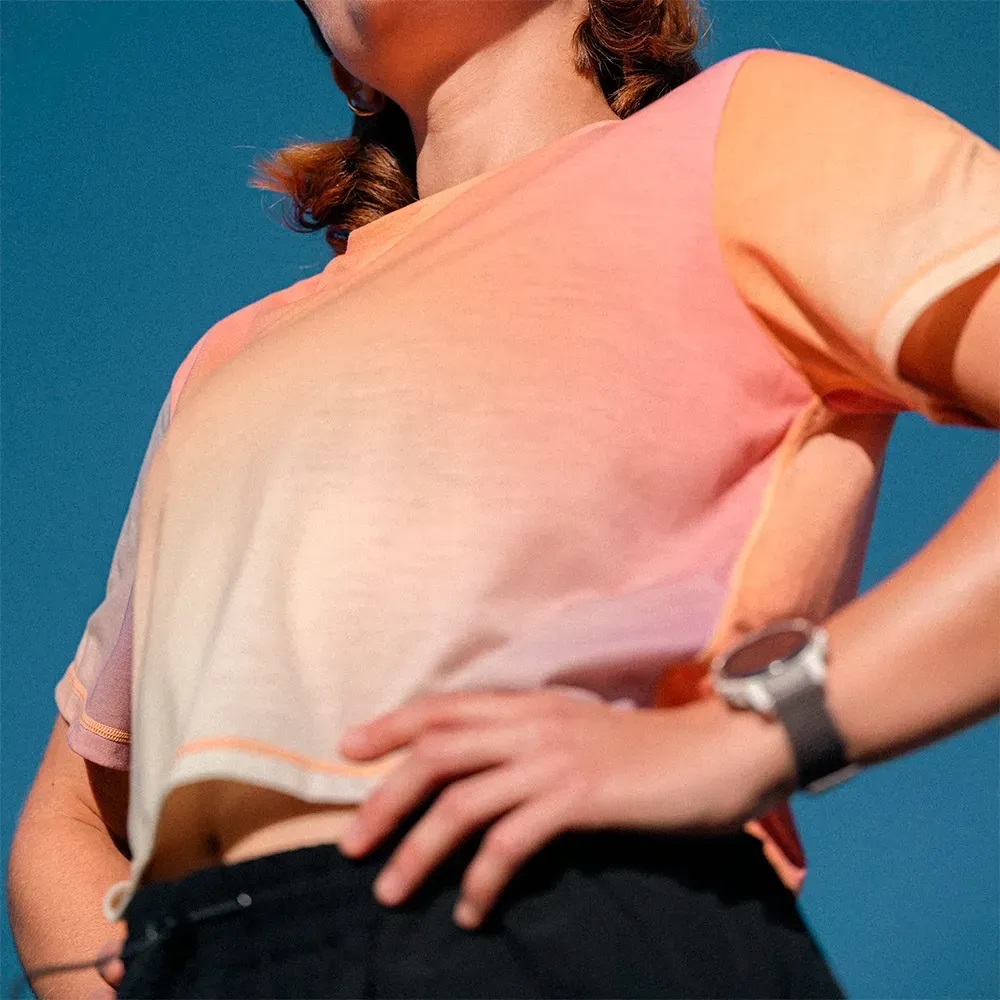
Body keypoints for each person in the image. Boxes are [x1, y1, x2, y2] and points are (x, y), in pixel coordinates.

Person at [8, 0, 999, 996]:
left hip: (569, 907)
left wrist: (752, 734)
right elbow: (70, 819)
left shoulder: (741, 132)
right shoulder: (226, 360)